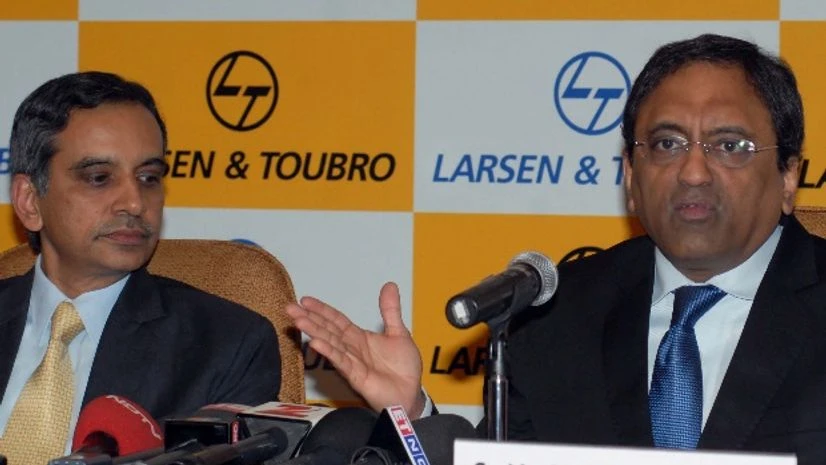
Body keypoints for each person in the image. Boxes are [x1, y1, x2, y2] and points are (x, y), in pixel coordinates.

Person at [287, 33, 826, 464]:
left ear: (788, 176)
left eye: (729, 146)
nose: (693, 171)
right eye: (667, 143)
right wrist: (412, 414)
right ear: (631, 177)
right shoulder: (553, 315)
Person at [0, 72, 280, 461]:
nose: (134, 203)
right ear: (30, 201)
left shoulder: (226, 345)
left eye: (149, 178)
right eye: (99, 178)